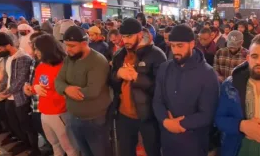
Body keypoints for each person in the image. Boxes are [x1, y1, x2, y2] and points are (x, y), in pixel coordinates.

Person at [153, 24, 219, 156]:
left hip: (194, 143)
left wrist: (179, 124)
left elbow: (207, 113)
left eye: (180, 46)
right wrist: (166, 121)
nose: (175, 50)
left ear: (192, 44)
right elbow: (157, 101)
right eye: (172, 46)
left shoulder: (207, 73)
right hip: (168, 141)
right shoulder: (164, 68)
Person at [111, 18, 166, 156]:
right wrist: (118, 74)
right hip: (123, 114)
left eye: (129, 36)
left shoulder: (156, 55)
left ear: (140, 34)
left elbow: (161, 88)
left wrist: (137, 78)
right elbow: (111, 81)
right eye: (123, 36)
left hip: (148, 115)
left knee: (153, 151)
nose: (125, 40)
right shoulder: (119, 55)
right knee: (125, 151)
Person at [55, 26, 111, 156]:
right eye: (66, 45)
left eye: (72, 45)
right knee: (84, 152)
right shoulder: (69, 59)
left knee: (99, 152)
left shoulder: (97, 61)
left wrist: (66, 91)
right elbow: (58, 82)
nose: (67, 49)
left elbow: (92, 91)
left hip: (94, 120)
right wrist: (67, 89)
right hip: (74, 116)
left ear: (84, 44)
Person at [0, 33, 40, 156]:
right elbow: (7, 76)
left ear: (8, 45)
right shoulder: (7, 57)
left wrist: (7, 92)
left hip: (20, 98)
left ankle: (35, 148)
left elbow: (21, 80)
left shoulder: (23, 58)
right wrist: (2, 90)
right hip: (10, 97)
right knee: (13, 122)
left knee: (26, 124)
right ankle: (23, 142)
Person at [31, 34, 78, 156]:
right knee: (54, 144)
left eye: (37, 49)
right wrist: (34, 88)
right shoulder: (41, 66)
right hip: (44, 112)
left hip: (60, 113)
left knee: (69, 147)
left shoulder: (64, 66)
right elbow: (36, 85)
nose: (35, 52)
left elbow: (69, 91)